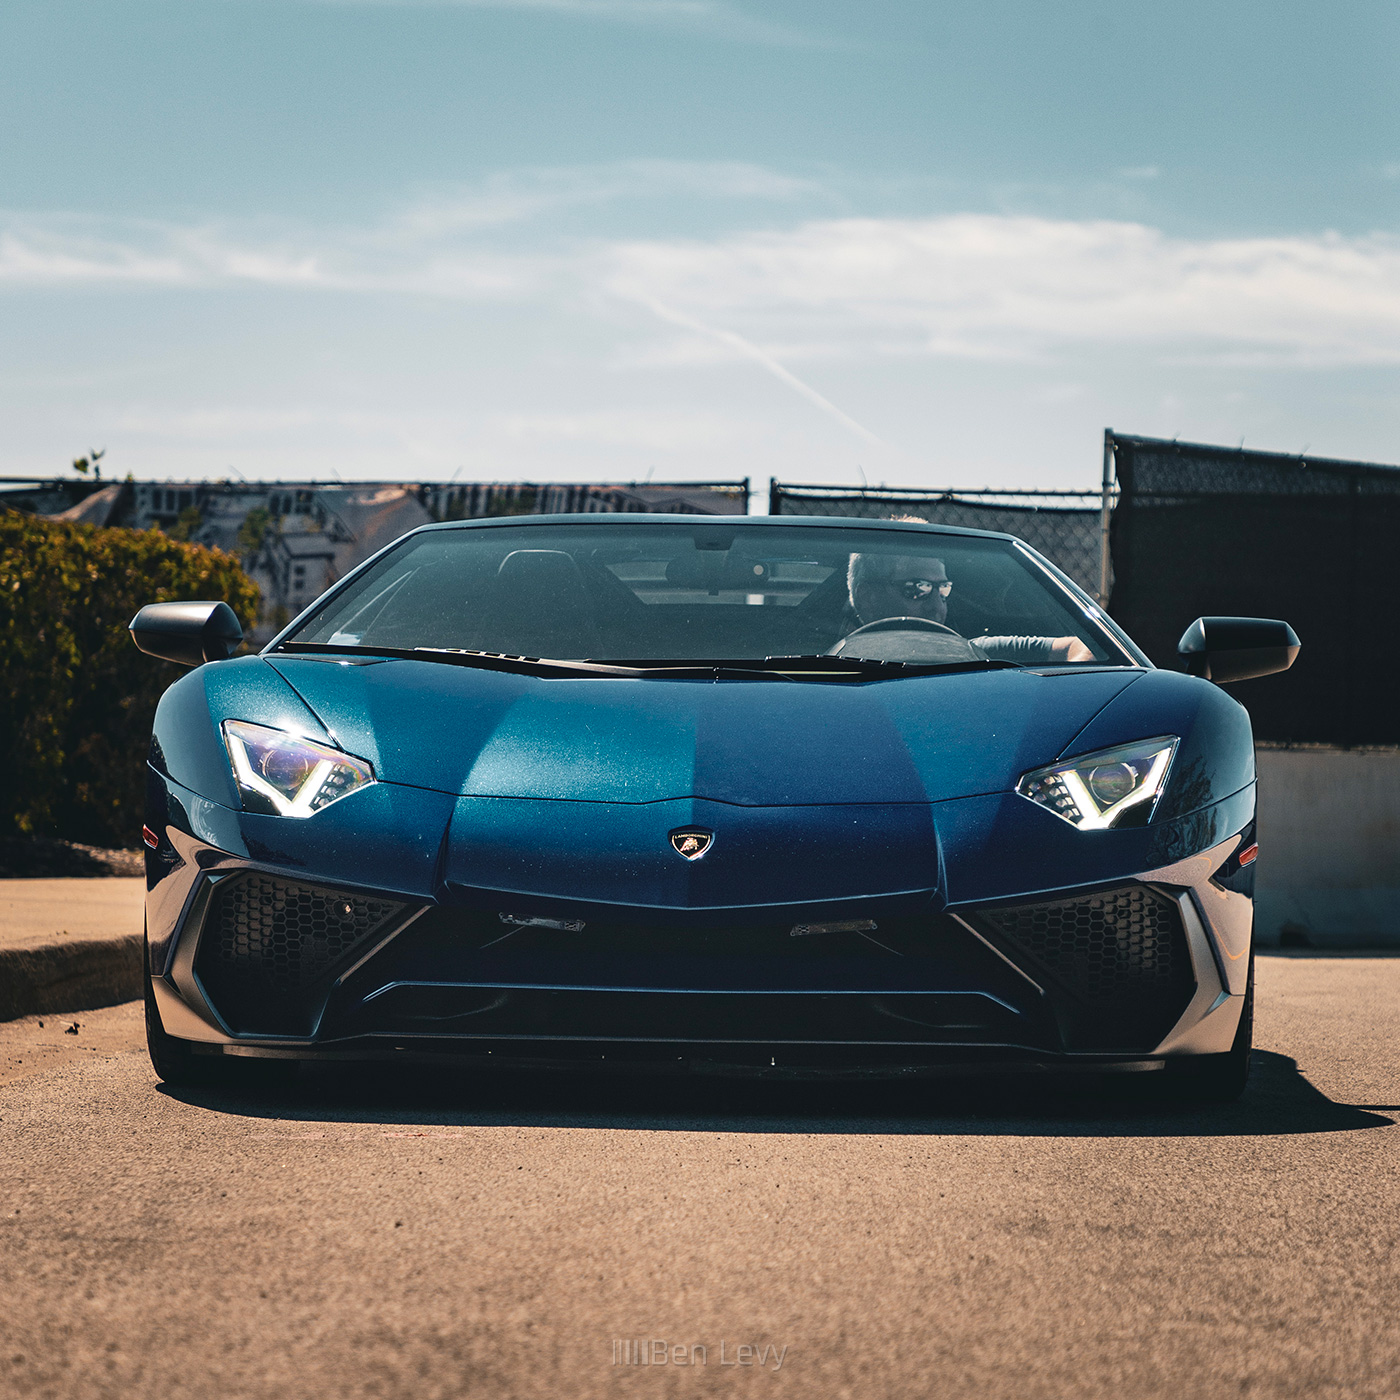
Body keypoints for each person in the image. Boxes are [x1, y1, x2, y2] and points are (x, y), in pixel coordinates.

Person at [844, 546, 1095, 664]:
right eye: (917, 588)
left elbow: (1084, 645)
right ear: (868, 597)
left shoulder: (976, 656)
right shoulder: (816, 667)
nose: (937, 607)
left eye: (943, 589)